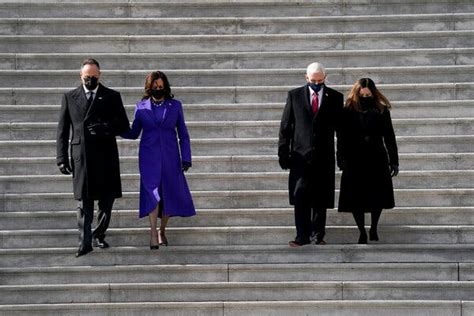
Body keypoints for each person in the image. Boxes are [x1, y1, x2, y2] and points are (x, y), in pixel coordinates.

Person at [56, 58, 130, 257]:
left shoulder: (112, 96)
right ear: (81, 76)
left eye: (94, 77)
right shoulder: (70, 97)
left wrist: (104, 128)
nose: (90, 80)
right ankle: (84, 241)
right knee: (84, 202)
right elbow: (62, 130)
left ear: (100, 75)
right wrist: (61, 158)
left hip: (106, 157)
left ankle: (98, 234)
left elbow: (124, 125)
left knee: (107, 202)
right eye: (87, 77)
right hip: (82, 158)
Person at [121, 70, 195, 249]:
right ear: (149, 87)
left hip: (170, 157)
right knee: (152, 192)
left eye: (161, 87)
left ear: (166, 87)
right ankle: (153, 231)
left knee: (168, 193)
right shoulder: (141, 107)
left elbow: (183, 134)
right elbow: (133, 132)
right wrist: (116, 127)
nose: (158, 89)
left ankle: (162, 229)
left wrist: (186, 157)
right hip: (149, 158)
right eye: (155, 87)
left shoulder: (175, 106)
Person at [278, 62, 343, 247]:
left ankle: (317, 236)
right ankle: (301, 236)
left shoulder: (335, 98)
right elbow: (285, 127)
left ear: (325, 78)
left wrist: (342, 156)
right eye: (313, 80)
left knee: (320, 198)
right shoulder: (295, 96)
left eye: (320, 80)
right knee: (300, 196)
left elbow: (342, 130)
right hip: (300, 157)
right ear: (306, 78)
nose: (316, 83)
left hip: (324, 157)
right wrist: (283, 153)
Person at [337, 78, 399, 244]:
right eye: (362, 94)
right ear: (357, 94)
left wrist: (394, 161)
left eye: (368, 94)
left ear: (374, 93)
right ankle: (361, 231)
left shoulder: (381, 110)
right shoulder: (347, 110)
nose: (365, 97)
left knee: (377, 196)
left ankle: (373, 228)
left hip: (376, 158)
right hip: (354, 159)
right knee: (356, 199)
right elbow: (341, 137)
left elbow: (390, 137)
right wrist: (340, 159)